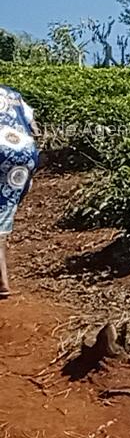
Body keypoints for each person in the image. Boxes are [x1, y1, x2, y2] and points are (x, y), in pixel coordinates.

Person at [0, 85, 39, 299]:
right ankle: (2, 281)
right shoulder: (13, 94)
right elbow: (35, 128)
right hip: (24, 154)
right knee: (2, 217)